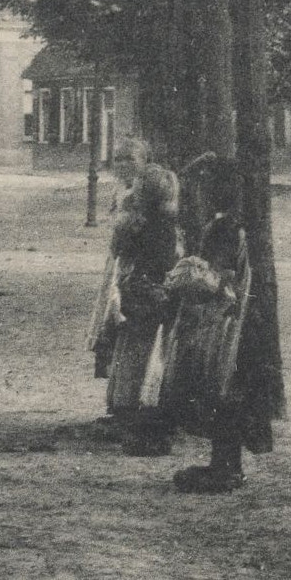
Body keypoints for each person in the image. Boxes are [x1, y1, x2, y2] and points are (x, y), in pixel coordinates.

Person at [161, 155, 269, 494]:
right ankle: (226, 464)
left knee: (221, 386)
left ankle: (225, 467)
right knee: (226, 388)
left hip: (223, 322)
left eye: (198, 190)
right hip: (234, 318)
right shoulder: (235, 225)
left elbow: (218, 279)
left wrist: (185, 278)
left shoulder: (222, 229)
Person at [96, 163, 180, 455]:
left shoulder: (132, 222)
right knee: (151, 357)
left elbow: (121, 252)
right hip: (152, 295)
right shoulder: (165, 227)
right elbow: (166, 263)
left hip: (131, 292)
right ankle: (146, 415)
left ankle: (125, 407)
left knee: (130, 352)